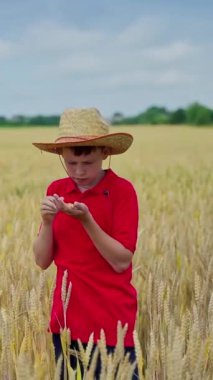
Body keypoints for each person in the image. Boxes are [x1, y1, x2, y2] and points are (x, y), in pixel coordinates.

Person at [32, 108, 139, 379]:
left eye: (88, 163)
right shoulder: (55, 189)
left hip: (112, 322)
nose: (79, 172)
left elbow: (121, 260)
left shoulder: (122, 191)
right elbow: (42, 261)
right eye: (71, 163)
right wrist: (46, 222)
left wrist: (87, 220)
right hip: (66, 321)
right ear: (61, 157)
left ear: (105, 153)